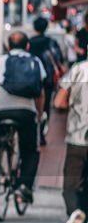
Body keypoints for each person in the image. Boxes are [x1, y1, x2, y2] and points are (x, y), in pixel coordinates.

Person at [0, 31, 46, 204]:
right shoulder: (35, 62)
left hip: (0, 109)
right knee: (30, 149)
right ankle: (23, 187)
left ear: (8, 46)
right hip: (25, 111)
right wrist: (38, 113)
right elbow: (40, 93)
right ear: (27, 46)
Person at [56, 59, 88, 223]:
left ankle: (74, 213)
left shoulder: (78, 69)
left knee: (72, 185)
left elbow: (59, 101)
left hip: (77, 138)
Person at [29, 17, 65, 146]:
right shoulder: (51, 42)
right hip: (48, 79)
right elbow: (59, 57)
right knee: (45, 106)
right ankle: (42, 132)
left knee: (31, 104)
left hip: (32, 79)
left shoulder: (29, 42)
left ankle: (32, 132)